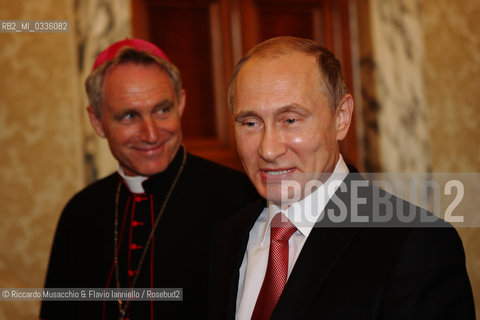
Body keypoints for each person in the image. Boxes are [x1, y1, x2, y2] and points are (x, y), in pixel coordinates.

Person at [209, 36, 475, 319]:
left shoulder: (415, 245)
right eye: (250, 123)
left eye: (290, 120)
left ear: (341, 117)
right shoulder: (228, 237)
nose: (268, 149)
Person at [40, 38, 258, 320]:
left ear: (180, 104)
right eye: (130, 116)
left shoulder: (240, 198)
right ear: (97, 122)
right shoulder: (81, 212)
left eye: (162, 110)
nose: (151, 134)